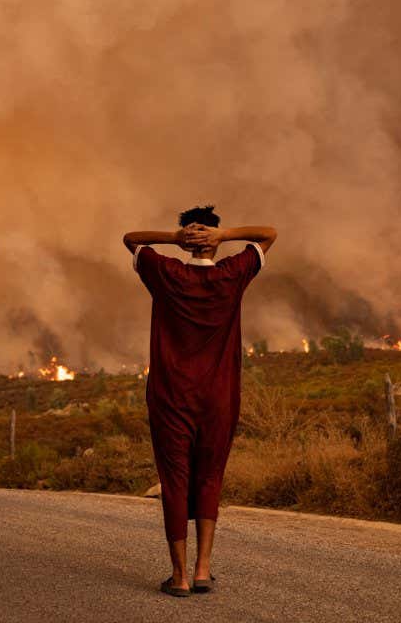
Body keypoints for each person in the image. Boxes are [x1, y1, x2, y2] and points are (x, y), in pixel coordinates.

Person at [123, 205, 277, 597]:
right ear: (213, 237)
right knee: (210, 477)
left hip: (171, 397)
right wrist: (226, 236)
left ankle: (179, 577)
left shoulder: (166, 273)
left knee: (174, 481)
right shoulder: (232, 274)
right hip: (219, 398)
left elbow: (130, 239)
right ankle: (204, 570)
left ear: (189, 239)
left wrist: (173, 239)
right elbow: (269, 234)